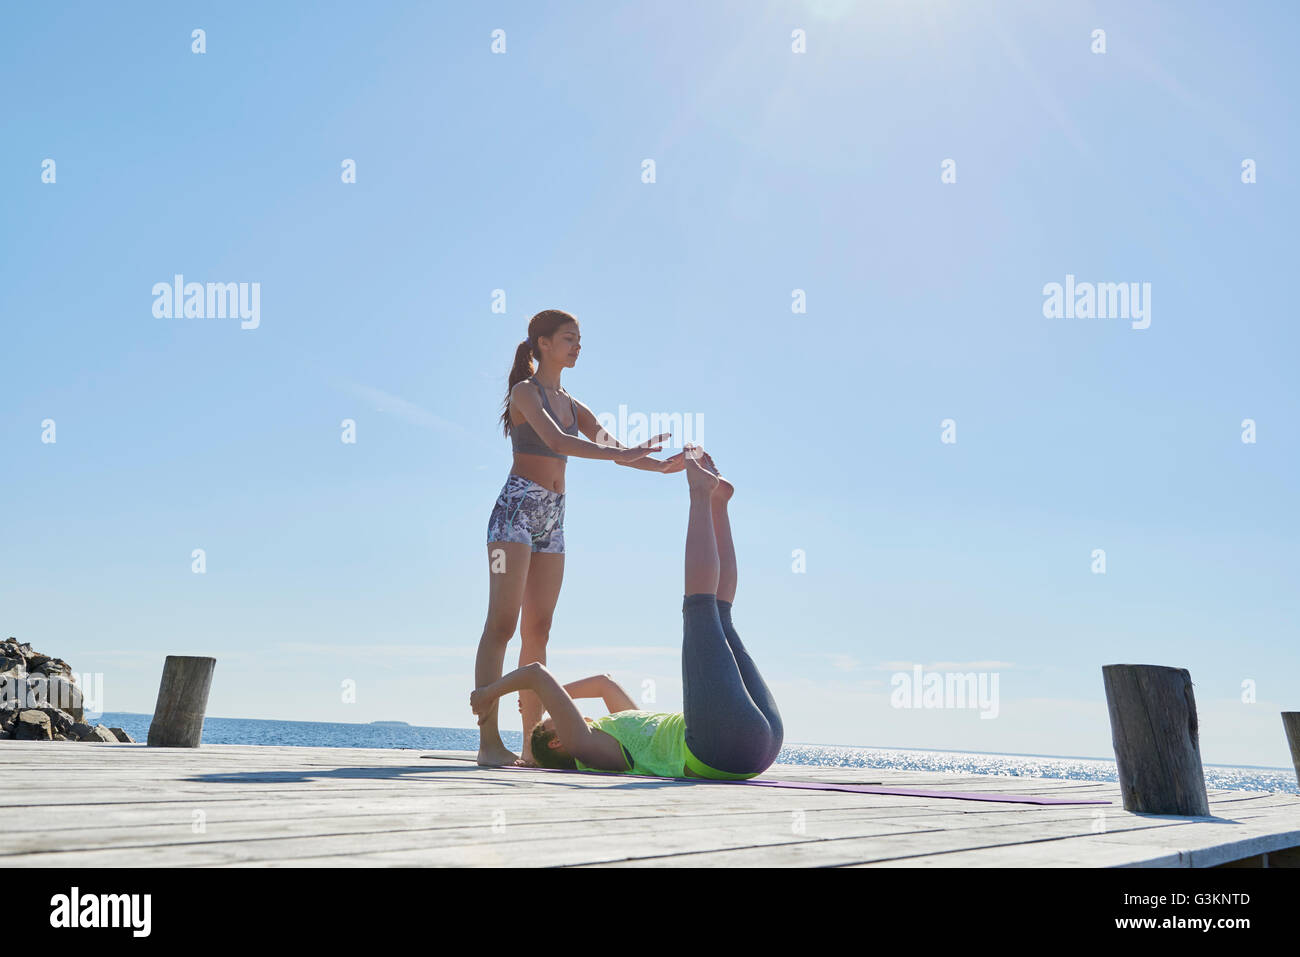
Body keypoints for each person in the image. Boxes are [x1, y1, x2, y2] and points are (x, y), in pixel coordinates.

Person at [470, 445, 783, 780]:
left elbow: (605, 684)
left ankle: (718, 504)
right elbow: (534, 673)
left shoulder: (626, 728)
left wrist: (550, 700)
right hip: (719, 745)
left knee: (720, 613)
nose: (574, 714)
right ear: (559, 741)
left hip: (758, 741)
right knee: (700, 608)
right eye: (554, 720)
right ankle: (700, 495)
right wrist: (488, 693)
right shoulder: (584, 745)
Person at [475, 309, 684, 767]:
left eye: (580, 339)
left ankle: (531, 745)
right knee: (502, 625)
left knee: (539, 631)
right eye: (569, 338)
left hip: (553, 518)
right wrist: (624, 452)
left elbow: (612, 448)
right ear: (543, 343)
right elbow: (557, 442)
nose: (577, 346)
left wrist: (663, 465)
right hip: (515, 512)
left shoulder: (574, 404)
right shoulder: (525, 393)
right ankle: (488, 742)